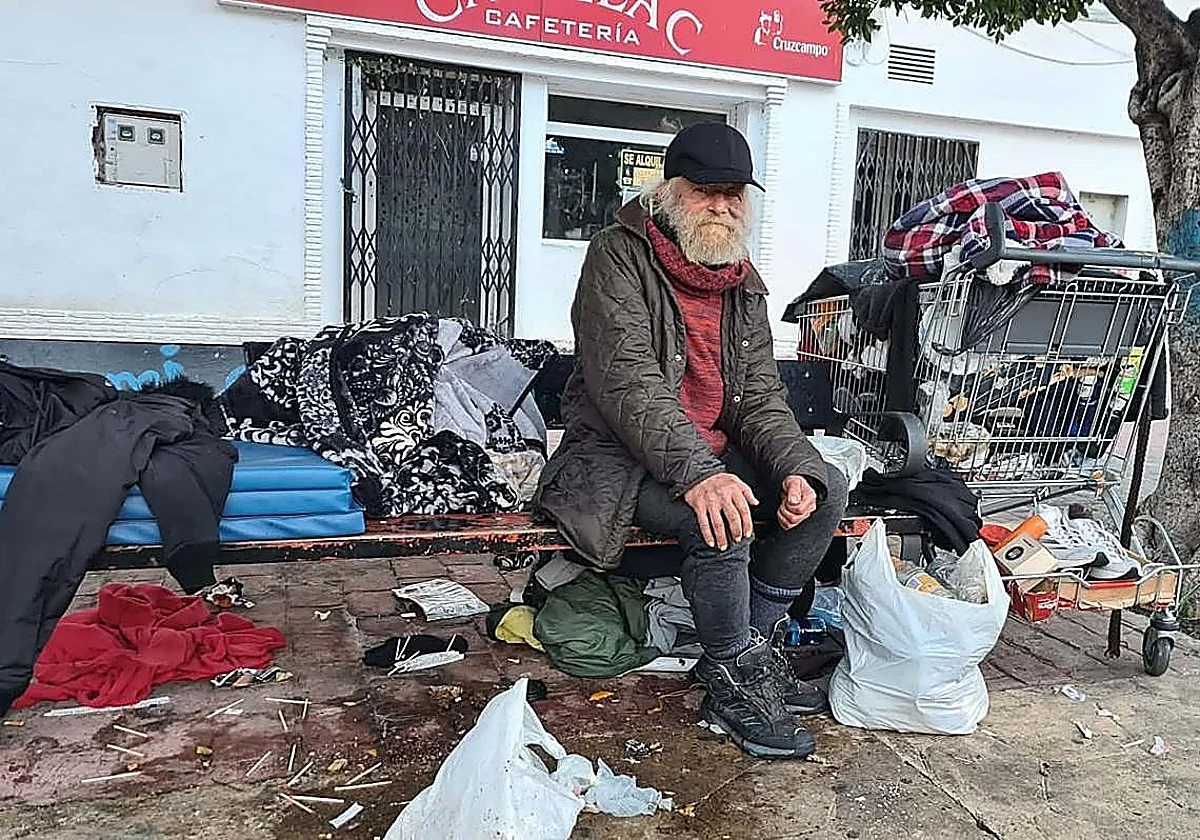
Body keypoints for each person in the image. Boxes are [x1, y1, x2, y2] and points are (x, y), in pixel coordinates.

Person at [533, 122, 848, 759]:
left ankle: (742, 658)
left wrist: (794, 467)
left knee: (826, 491)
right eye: (705, 191)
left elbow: (759, 397)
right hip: (618, 459)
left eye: (733, 194)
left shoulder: (742, 282)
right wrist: (702, 474)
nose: (721, 207)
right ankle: (734, 676)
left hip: (705, 453)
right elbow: (628, 383)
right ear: (669, 191)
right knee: (720, 516)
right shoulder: (617, 256)